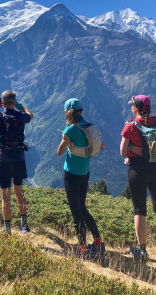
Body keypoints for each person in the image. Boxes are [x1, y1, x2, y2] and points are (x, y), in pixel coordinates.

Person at [57, 98, 105, 256]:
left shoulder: (70, 130)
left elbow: (59, 152)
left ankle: (83, 249)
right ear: (81, 111)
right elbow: (101, 146)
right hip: (85, 173)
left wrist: (67, 141)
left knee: (76, 212)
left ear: (67, 112)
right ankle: (98, 241)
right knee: (83, 208)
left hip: (71, 174)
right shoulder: (90, 127)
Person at [0, 90, 33, 234]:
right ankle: (24, 226)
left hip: (3, 159)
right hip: (18, 158)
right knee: (19, 192)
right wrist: (20, 106)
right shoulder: (21, 115)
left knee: (5, 195)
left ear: (2, 103)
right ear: (14, 101)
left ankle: (7, 230)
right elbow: (31, 115)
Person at [120, 95, 156, 260]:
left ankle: (142, 250)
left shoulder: (130, 127)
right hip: (155, 168)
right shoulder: (154, 122)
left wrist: (133, 151)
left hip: (138, 171)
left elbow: (122, 151)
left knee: (140, 210)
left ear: (135, 108)